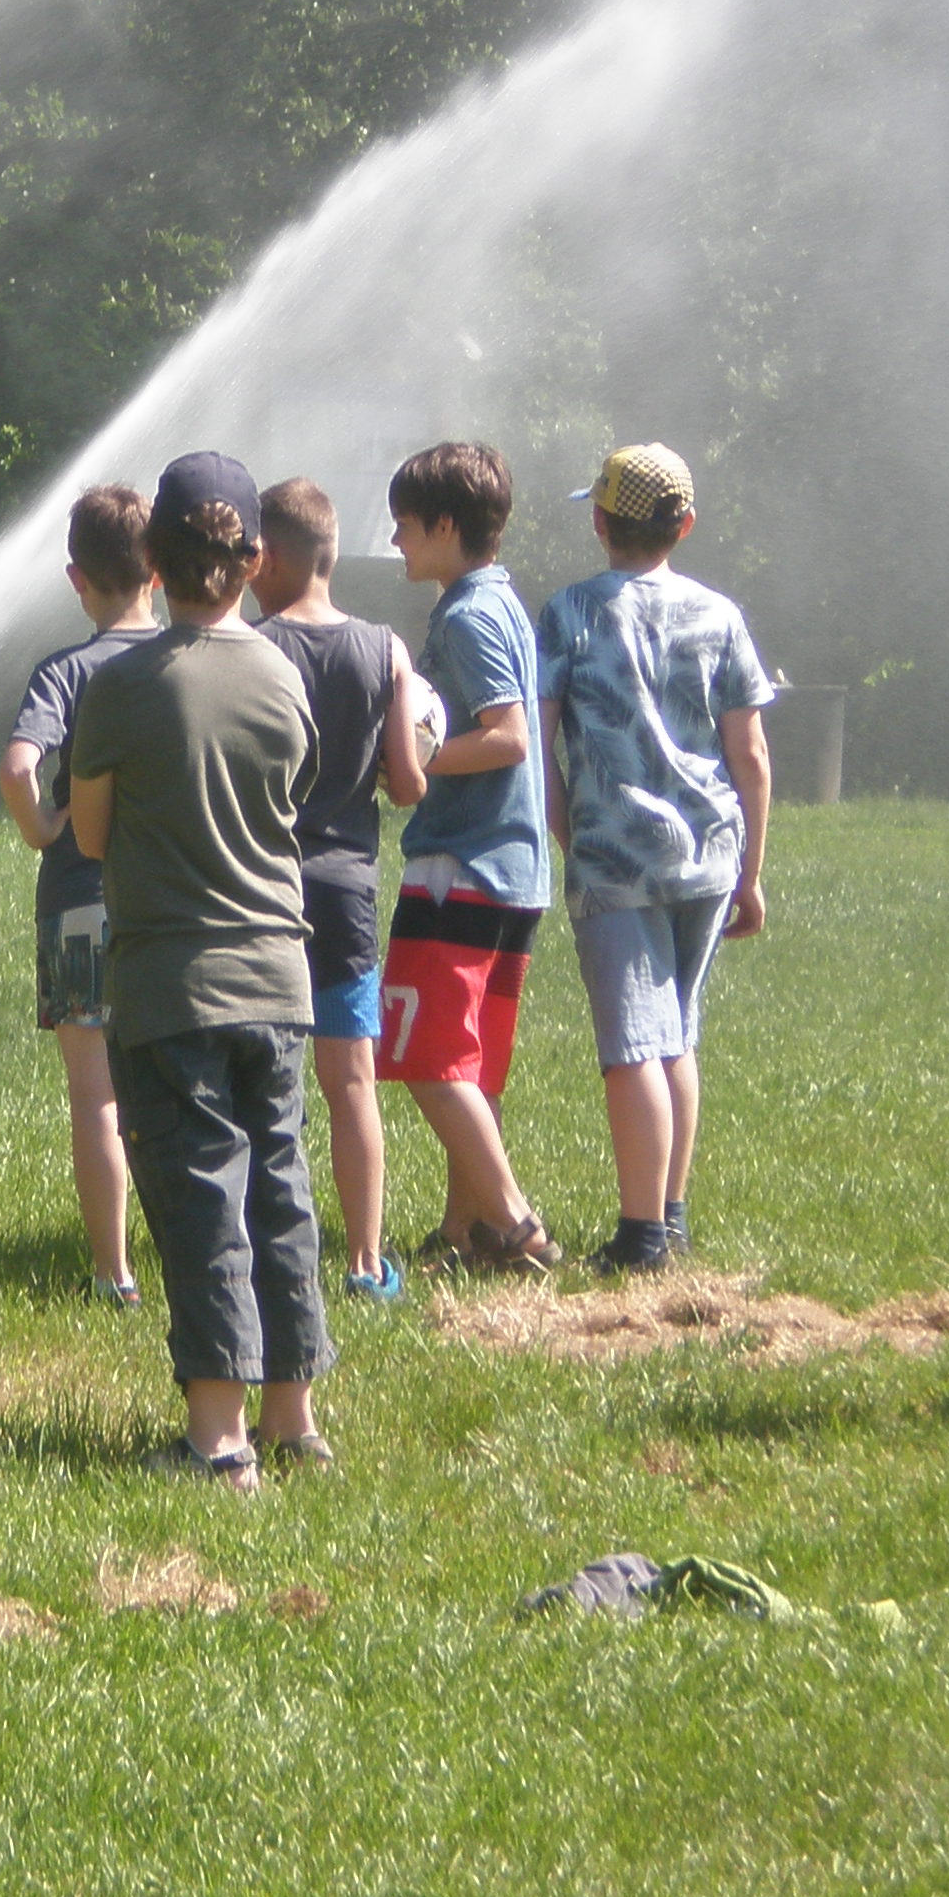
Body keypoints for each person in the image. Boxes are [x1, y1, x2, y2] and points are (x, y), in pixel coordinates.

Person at [68, 451, 328, 1490]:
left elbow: (89, 835)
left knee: (200, 1199)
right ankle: (294, 1418)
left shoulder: (121, 686)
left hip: (171, 989)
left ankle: (219, 1441)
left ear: (151, 560)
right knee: (279, 1190)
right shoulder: (284, 673)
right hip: (280, 979)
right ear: (254, 559)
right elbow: (293, 798)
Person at [537, 444, 774, 1276]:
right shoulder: (720, 615)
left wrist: (570, 838)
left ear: (600, 522)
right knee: (676, 1037)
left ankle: (640, 1238)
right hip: (710, 856)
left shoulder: (570, 611)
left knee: (633, 1046)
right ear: (686, 525)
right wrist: (750, 874)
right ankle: (671, 1220)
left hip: (616, 857)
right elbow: (751, 756)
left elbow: (540, 746)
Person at [381, 443, 564, 1275]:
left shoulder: (466, 616)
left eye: (407, 523)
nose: (395, 538)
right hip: (513, 873)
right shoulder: (499, 602)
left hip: (463, 869)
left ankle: (517, 1224)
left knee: (425, 1056)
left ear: (448, 525)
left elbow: (509, 737)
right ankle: (467, 1232)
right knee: (471, 1065)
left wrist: (413, 763)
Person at [252, 476, 427, 1301]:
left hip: (267, 888)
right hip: (348, 890)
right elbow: (409, 784)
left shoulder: (255, 648)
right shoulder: (386, 650)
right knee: (352, 1080)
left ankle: (267, 1248)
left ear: (271, 557)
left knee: (268, 1079)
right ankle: (364, 1260)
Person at [0, 483, 161, 1306]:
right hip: (164, 903)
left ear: (77, 579)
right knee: (171, 1083)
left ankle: (113, 1274)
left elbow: (18, 766)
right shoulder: (183, 657)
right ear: (157, 572)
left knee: (95, 1096)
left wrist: (42, 826)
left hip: (76, 902)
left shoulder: (65, 671)